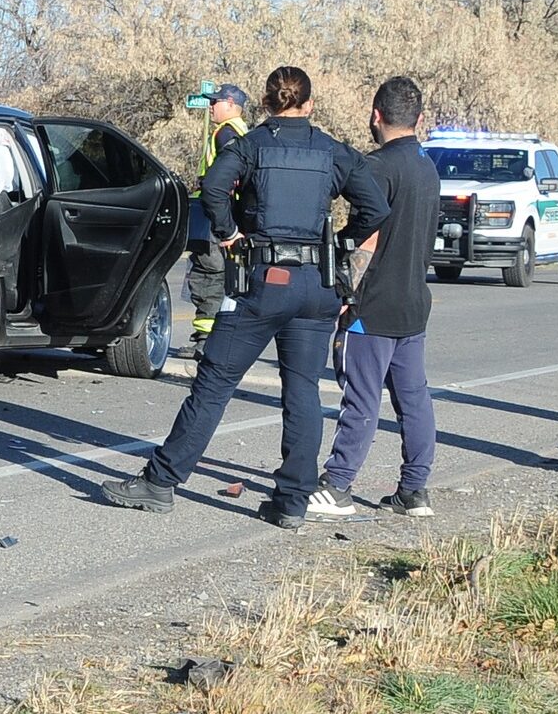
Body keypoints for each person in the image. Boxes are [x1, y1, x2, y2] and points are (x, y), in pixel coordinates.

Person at [102, 66, 388, 529]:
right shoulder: (331, 151)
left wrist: (230, 232)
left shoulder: (253, 145)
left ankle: (160, 482)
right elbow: (376, 207)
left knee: (215, 381)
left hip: (264, 280)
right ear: (309, 105)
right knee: (303, 392)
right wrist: (339, 243)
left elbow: (213, 188)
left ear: (266, 103)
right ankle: (293, 500)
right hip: (317, 285)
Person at [308, 76, 441, 518]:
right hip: (413, 301)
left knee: (361, 398)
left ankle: (339, 485)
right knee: (413, 398)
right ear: (419, 119)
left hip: (375, 303)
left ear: (375, 115)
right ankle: (414, 490)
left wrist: (346, 291)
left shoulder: (377, 167)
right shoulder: (427, 165)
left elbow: (368, 238)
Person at [176, 83, 250, 361]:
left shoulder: (227, 133)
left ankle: (205, 343)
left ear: (230, 104)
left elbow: (229, 175)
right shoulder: (243, 133)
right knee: (219, 275)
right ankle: (211, 340)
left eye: (216, 102)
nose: (210, 106)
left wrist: (208, 187)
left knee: (208, 275)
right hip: (226, 214)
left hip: (214, 216)